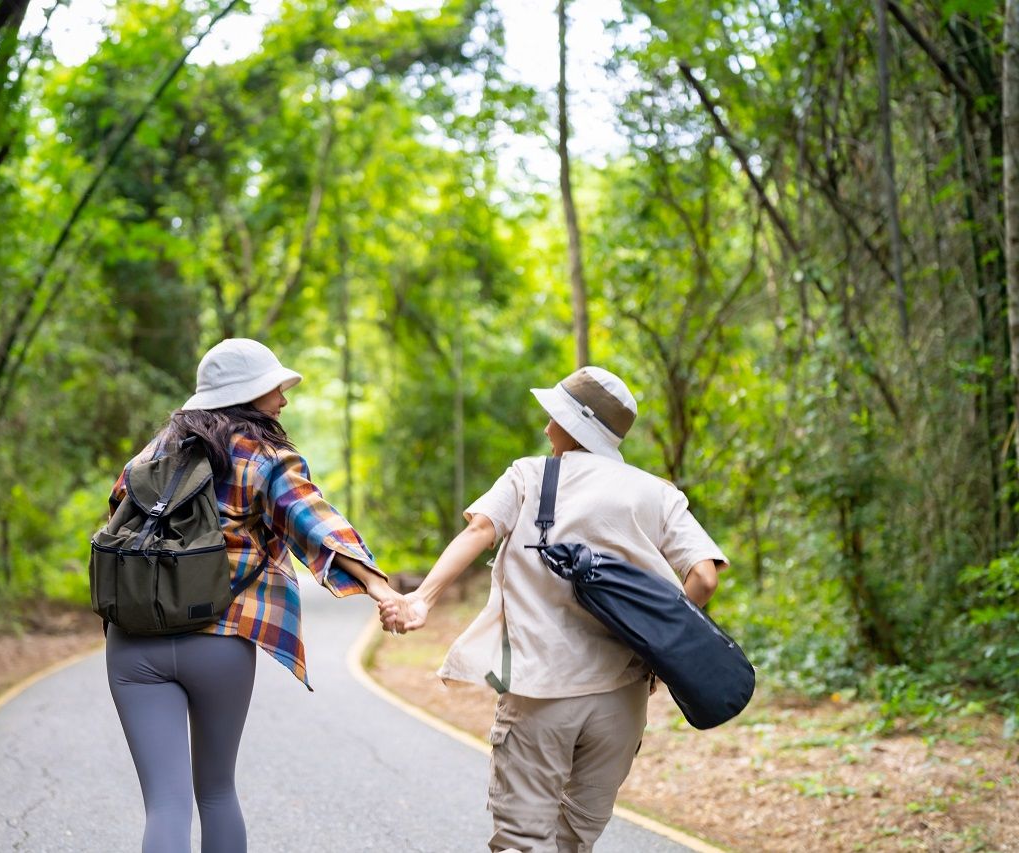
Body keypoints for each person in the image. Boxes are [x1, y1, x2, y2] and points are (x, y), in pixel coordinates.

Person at [381, 366, 728, 853]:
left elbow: (480, 530)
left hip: (541, 692)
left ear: (576, 425)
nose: (547, 428)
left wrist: (423, 597)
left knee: (525, 841)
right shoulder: (657, 492)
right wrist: (657, 648)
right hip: (621, 703)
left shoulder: (529, 476)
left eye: (554, 418)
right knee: (573, 842)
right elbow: (705, 576)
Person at [104, 338, 399, 853]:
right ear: (247, 395)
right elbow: (317, 523)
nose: (283, 400)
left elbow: (118, 522)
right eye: (274, 389)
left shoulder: (150, 456)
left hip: (132, 642)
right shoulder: (266, 459)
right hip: (220, 638)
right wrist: (378, 585)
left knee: (165, 806)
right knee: (216, 793)